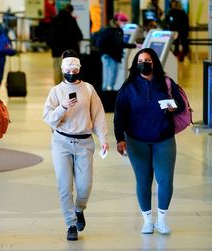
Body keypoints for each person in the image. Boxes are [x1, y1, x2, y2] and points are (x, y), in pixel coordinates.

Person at [113, 48, 185, 235]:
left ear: (155, 63)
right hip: (136, 141)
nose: (144, 63)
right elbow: (119, 115)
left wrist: (172, 108)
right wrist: (120, 139)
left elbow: (181, 105)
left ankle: (161, 220)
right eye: (141, 61)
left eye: (148, 60)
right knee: (143, 181)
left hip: (164, 139)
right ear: (136, 64)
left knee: (165, 179)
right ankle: (147, 221)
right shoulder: (128, 87)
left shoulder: (166, 83)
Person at [43, 49, 109, 241]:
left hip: (84, 142)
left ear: (79, 69)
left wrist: (103, 139)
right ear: (63, 70)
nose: (71, 74)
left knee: (84, 185)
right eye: (68, 71)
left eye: (75, 70)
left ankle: (79, 209)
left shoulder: (88, 89)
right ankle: (71, 224)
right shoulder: (55, 91)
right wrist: (63, 107)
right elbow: (47, 117)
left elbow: (98, 115)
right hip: (61, 142)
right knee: (64, 186)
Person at [97, 12, 136, 91]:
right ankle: (109, 93)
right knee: (112, 75)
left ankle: (105, 94)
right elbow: (120, 43)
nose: (124, 23)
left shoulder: (107, 29)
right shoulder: (116, 31)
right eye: (123, 21)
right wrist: (134, 45)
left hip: (104, 55)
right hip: (112, 56)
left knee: (106, 76)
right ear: (117, 21)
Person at [48, 4, 83, 84]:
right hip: (69, 53)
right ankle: (66, 89)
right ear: (71, 11)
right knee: (67, 71)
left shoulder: (55, 20)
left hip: (56, 52)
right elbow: (79, 36)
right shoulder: (71, 20)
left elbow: (49, 37)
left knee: (57, 70)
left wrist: (53, 46)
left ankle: (57, 88)